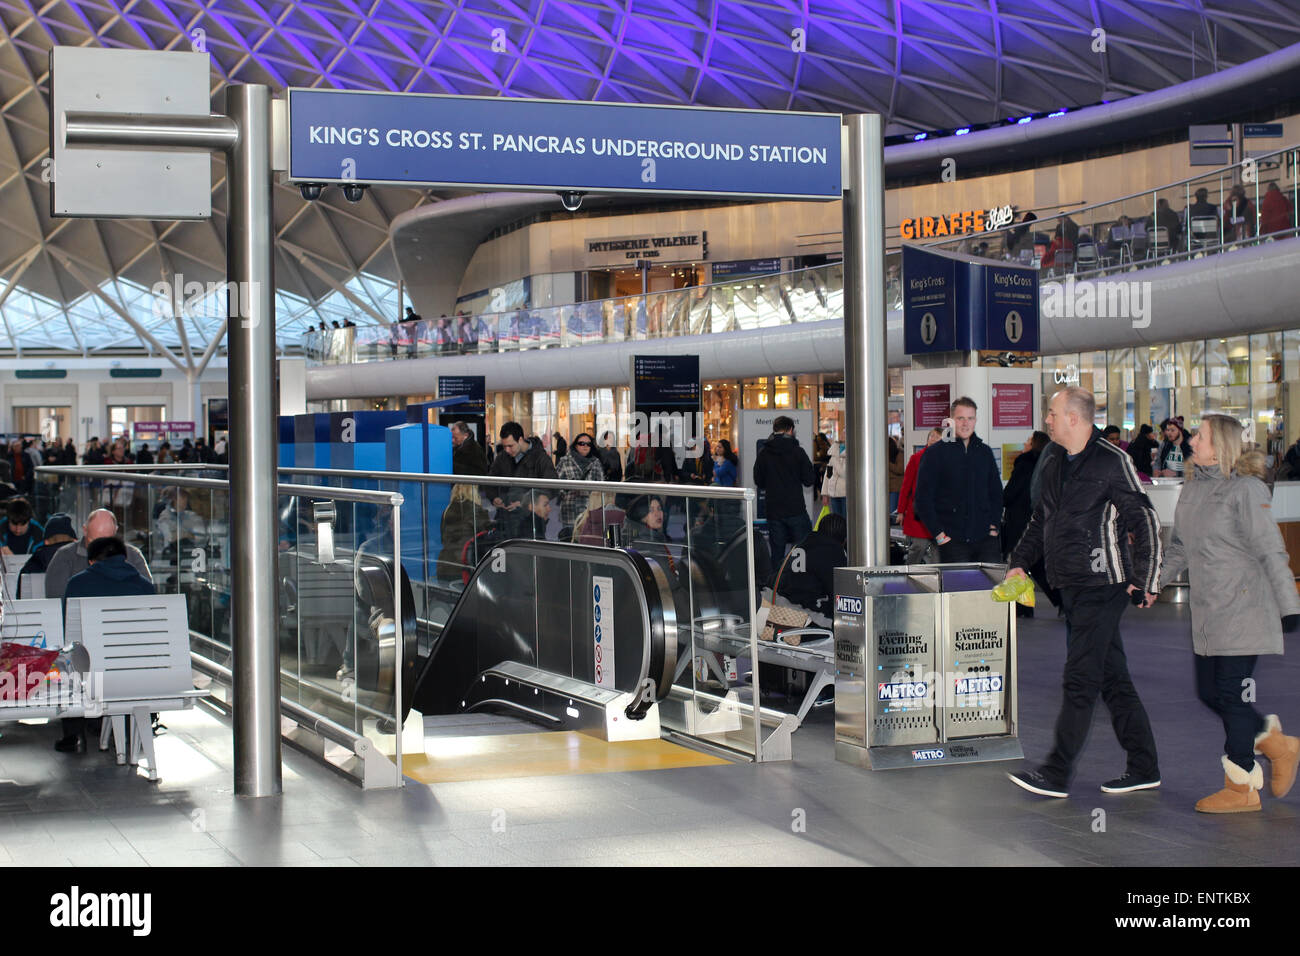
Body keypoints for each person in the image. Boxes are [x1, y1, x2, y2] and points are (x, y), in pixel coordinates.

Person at [1006, 387, 1162, 798]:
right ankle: (1144, 766)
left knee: (1080, 678)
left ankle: (1056, 773)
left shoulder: (1113, 461)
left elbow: (1144, 520)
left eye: (1053, 413)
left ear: (1074, 418)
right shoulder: (1056, 458)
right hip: (1070, 586)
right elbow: (1042, 518)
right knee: (1113, 680)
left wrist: (1146, 579)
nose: (1048, 420)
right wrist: (1019, 561)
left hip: (1103, 586)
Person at [1154, 414, 1300, 812]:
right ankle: (1277, 743)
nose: (1191, 441)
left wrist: (1290, 606)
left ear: (1220, 446)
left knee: (1229, 695)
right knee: (1208, 693)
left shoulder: (1246, 490)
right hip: (1208, 613)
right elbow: (1180, 549)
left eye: (1199, 436)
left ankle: (1241, 787)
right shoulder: (1192, 490)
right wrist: (1154, 584)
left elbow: (1271, 549)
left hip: (1246, 608)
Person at [55, 535, 156, 753]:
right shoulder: (145, 586)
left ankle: (73, 733)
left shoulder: (78, 583)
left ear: (91, 561)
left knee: (70, 663)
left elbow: (68, 632)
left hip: (93, 674)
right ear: (124, 558)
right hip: (136, 672)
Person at [914, 397, 1003, 562]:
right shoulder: (935, 453)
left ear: (975, 420)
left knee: (990, 587)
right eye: (960, 418)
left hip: (986, 541)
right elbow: (922, 499)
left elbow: (996, 493)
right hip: (952, 542)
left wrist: (993, 527)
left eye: (970, 418)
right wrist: (940, 535)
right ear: (951, 420)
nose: (965, 423)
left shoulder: (984, 452)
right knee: (959, 587)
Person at [43, 509, 153, 600]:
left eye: (107, 541)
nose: (101, 549)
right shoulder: (65, 557)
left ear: (115, 531)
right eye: (95, 541)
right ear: (85, 530)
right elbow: (57, 601)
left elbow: (148, 600)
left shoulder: (133, 555)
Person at [752, 415, 816, 567]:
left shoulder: (764, 453)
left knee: (777, 552)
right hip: (796, 508)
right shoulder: (798, 451)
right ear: (791, 430)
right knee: (803, 549)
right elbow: (809, 480)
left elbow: (758, 481)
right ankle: (802, 582)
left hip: (774, 509)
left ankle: (777, 585)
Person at [487, 422, 557, 533]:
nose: (507, 450)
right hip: (505, 518)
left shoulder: (540, 458)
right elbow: (490, 480)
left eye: (510, 446)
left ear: (520, 440)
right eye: (504, 446)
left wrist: (526, 502)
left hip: (530, 520)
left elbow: (552, 486)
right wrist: (494, 497)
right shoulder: (502, 458)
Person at [776, 513, 847, 619]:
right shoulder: (832, 551)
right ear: (842, 538)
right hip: (806, 617)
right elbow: (839, 592)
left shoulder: (801, 544)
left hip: (779, 610)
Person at [1002, 430, 1049, 560]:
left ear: (1035, 444)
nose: (1025, 443)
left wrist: (1001, 500)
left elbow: (1010, 493)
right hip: (1040, 520)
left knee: (1017, 558)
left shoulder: (1024, 463)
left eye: (1029, 441)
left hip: (1019, 519)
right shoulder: (1049, 463)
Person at [898, 427, 942, 564]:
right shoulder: (916, 458)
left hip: (939, 513)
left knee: (938, 550)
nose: (933, 439)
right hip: (919, 513)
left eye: (937, 437)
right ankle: (908, 573)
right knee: (918, 547)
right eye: (932, 436)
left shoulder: (945, 460)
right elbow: (906, 486)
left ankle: (938, 579)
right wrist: (900, 511)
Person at [435, 483, 491, 582]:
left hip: (445, 564)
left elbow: (442, 539)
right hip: (466, 565)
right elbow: (485, 543)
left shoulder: (447, 511)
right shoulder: (476, 511)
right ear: (473, 492)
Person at [554, 432, 604, 535]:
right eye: (582, 443)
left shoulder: (595, 463)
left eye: (588, 444)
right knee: (569, 542)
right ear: (576, 445)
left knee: (587, 543)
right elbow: (556, 485)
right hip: (569, 510)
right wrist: (566, 489)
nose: (585, 446)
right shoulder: (565, 461)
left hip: (589, 512)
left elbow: (601, 487)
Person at [820, 438, 846, 518]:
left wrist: (834, 461)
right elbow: (828, 475)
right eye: (843, 432)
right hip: (834, 494)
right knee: (837, 522)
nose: (843, 434)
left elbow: (844, 474)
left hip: (846, 495)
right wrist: (825, 494)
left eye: (845, 432)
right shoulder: (833, 455)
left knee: (846, 521)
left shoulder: (853, 453)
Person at [887, 436, 905, 512]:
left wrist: (887, 463)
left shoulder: (899, 454)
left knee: (893, 512)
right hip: (887, 488)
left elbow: (900, 469)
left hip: (895, 488)